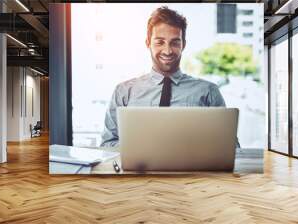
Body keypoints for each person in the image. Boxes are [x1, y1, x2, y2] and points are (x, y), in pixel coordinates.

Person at [100, 6, 234, 147]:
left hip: (191, 168)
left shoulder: (208, 92)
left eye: (175, 43)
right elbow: (108, 143)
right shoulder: (124, 92)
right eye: (159, 42)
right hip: (139, 168)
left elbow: (230, 146)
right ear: (148, 43)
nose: (168, 51)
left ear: (184, 45)